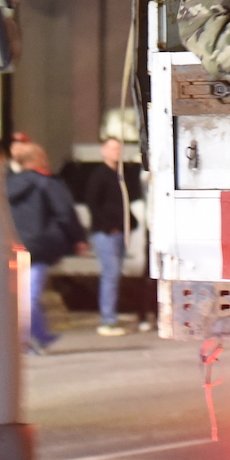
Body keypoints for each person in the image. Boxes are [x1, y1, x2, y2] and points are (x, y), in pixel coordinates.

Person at [6, 143, 83, 354]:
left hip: (13, 245)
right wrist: (77, 238)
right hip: (39, 246)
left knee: (23, 294)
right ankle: (27, 340)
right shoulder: (46, 183)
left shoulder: (6, 185)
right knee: (30, 296)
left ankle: (40, 335)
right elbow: (65, 212)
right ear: (37, 159)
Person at [82, 137, 140, 337]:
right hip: (106, 233)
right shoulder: (99, 175)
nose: (117, 152)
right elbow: (92, 203)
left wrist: (130, 223)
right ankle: (107, 320)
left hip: (120, 231)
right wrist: (109, 226)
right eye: (113, 148)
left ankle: (111, 315)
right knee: (110, 274)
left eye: (119, 149)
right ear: (104, 151)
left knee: (114, 275)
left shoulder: (120, 176)